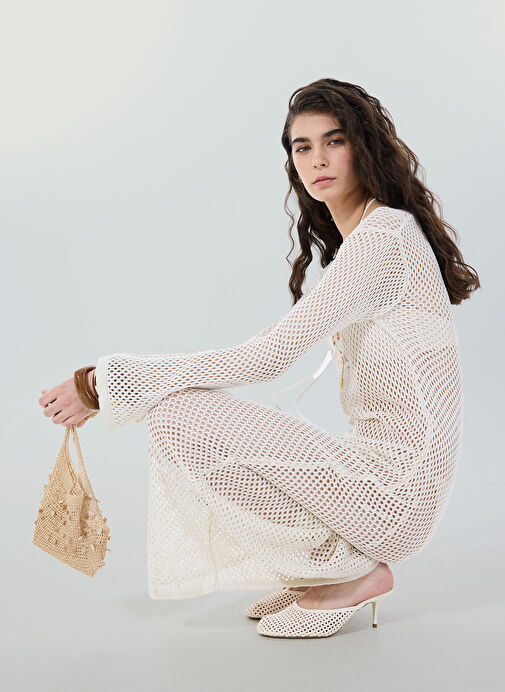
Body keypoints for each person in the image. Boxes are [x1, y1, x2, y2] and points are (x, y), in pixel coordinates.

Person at [38, 78, 480, 639]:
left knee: (177, 414)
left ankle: (352, 573)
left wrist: (101, 384)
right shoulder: (370, 238)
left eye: (334, 141)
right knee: (177, 413)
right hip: (379, 484)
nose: (317, 160)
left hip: (394, 496)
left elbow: (266, 357)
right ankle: (326, 566)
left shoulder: (384, 237)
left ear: (363, 147)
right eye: (302, 147)